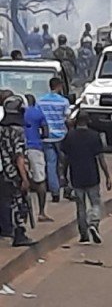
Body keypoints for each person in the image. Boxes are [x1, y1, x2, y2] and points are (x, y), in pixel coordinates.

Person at [61, 112, 111, 245]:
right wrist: (107, 176)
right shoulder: (94, 136)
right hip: (92, 175)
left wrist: (63, 175)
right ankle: (93, 223)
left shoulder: (69, 136)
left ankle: (84, 235)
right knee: (95, 203)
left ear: (76, 121)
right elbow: (100, 158)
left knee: (80, 206)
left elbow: (65, 158)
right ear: (88, 121)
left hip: (76, 175)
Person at [0, 96, 37, 246]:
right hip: (15, 173)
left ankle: (8, 230)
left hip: (3, 171)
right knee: (19, 203)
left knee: (6, 202)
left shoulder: (2, 129)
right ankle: (19, 234)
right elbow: (19, 156)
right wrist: (25, 178)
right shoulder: (18, 131)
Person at [38, 77, 70, 203]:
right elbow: (67, 117)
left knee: (51, 164)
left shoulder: (41, 101)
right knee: (65, 163)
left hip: (47, 137)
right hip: (61, 136)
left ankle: (55, 193)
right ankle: (67, 187)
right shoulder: (64, 101)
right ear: (59, 86)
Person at [23, 94, 52, 222]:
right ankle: (41, 212)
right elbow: (46, 132)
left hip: (18, 148)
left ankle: (21, 213)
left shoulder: (18, 113)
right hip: (35, 148)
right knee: (40, 181)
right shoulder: (38, 113)